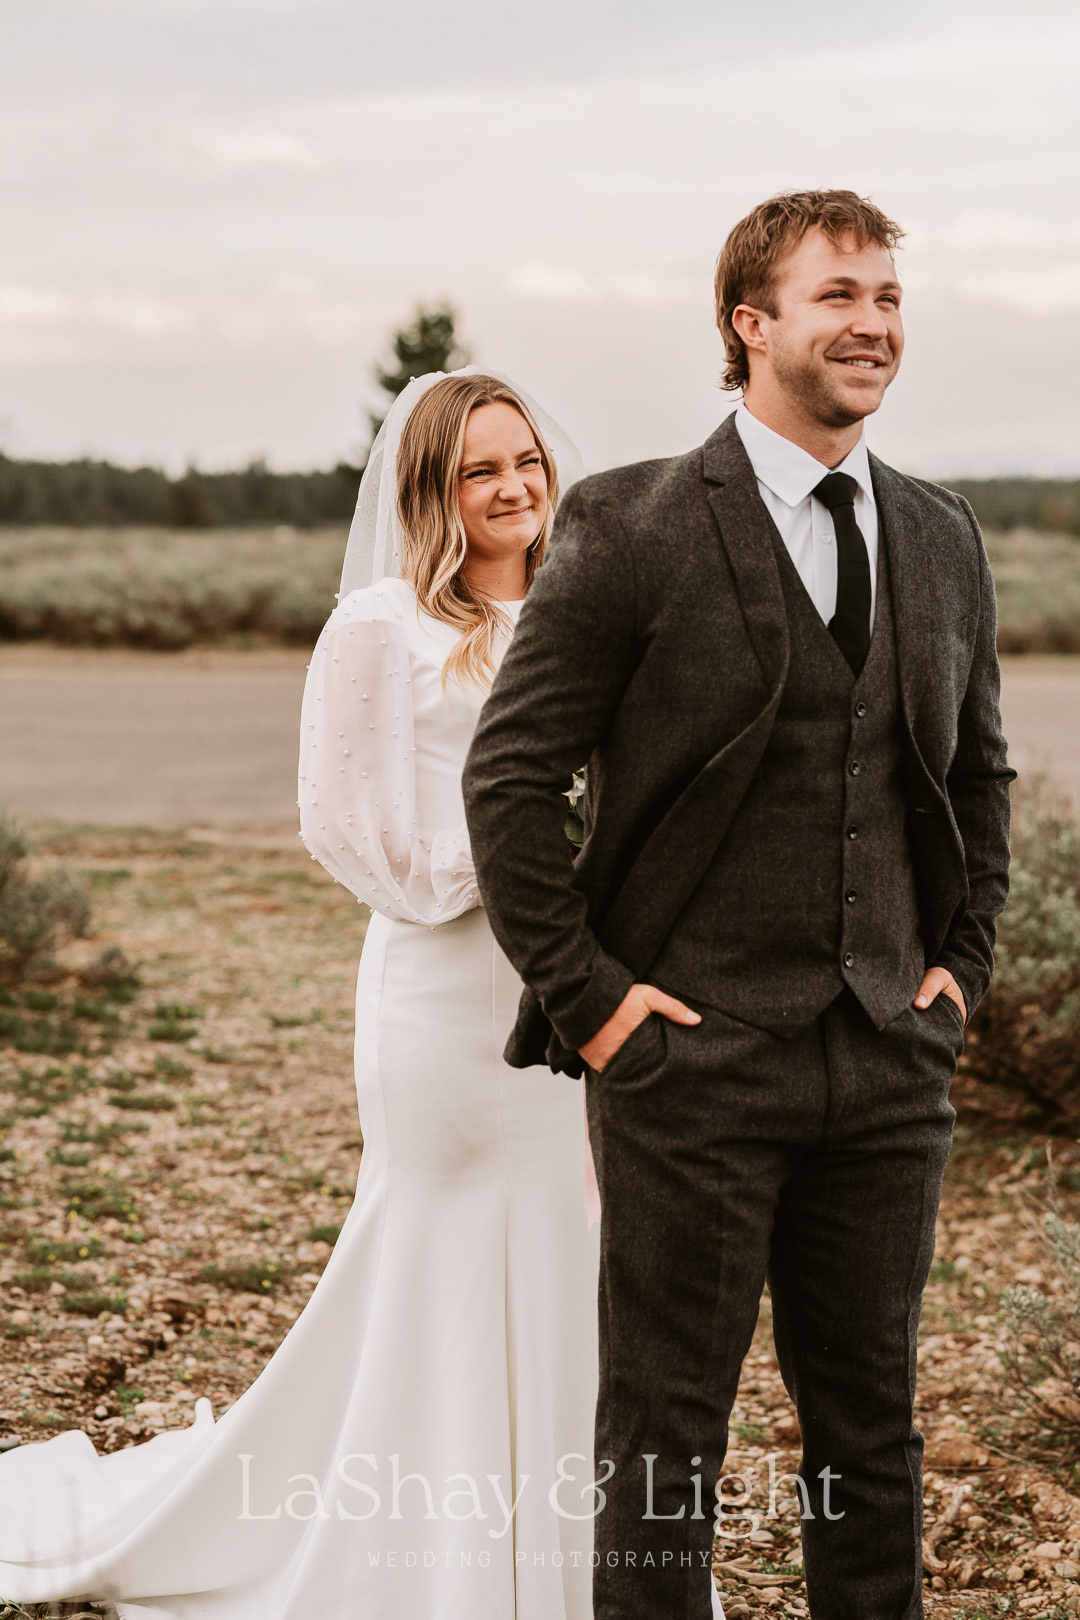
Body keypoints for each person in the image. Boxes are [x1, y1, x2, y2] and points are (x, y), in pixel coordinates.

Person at [461, 190, 1016, 1620]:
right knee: (665, 1440)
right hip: (687, 1065)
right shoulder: (632, 522)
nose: (874, 325)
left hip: (889, 1062)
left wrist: (959, 970)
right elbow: (511, 780)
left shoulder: (941, 532)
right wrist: (596, 1007)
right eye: (839, 296)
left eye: (888, 297)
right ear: (749, 323)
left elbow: (978, 776)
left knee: (870, 1437)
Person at [0, 369, 600, 1620]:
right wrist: (521, 857)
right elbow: (344, 825)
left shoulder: (586, 609)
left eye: (526, 461)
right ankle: (424, 1558)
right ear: (430, 491)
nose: (514, 487)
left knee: (568, 1240)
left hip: (578, 987)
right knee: (435, 1245)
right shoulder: (382, 625)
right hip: (445, 992)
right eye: (479, 470)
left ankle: (558, 1558)